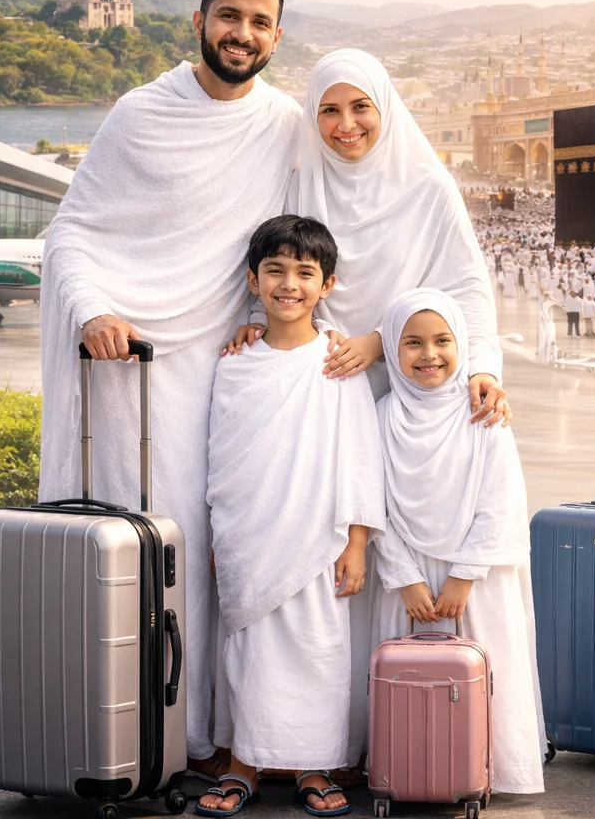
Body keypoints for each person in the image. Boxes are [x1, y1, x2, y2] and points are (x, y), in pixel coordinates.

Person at [41, 0, 303, 772]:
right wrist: (91, 313)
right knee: (127, 548)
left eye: (259, 23)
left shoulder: (286, 123)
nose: (242, 35)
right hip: (127, 364)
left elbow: (311, 238)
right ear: (197, 21)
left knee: (213, 548)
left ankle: (206, 738)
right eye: (229, 17)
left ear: (276, 37)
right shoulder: (139, 112)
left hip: (224, 368)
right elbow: (72, 231)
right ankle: (115, 738)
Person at [202, 216, 385, 817]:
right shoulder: (236, 362)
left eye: (305, 273)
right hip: (249, 534)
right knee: (247, 654)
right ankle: (242, 765)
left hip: (318, 537)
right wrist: (217, 532)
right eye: (274, 271)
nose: (289, 285)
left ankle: (315, 765)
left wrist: (356, 542)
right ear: (253, 279)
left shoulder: (338, 363)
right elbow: (223, 456)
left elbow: (360, 456)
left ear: (326, 285)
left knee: (317, 649)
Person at [243, 48, 508, 425]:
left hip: (405, 388)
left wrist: (383, 341)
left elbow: (464, 285)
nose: (347, 124)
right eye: (329, 110)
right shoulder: (300, 186)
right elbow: (275, 263)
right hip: (316, 382)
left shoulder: (428, 189)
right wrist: (257, 319)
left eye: (360, 106)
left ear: (384, 106)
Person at [372, 288, 546, 796]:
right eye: (412, 343)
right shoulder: (382, 416)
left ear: (462, 343)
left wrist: (464, 575)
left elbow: (500, 502)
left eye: (443, 340)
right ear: (391, 350)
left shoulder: (484, 416)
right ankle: (407, 769)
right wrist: (404, 578)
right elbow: (373, 502)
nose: (430, 355)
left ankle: (486, 770)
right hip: (408, 582)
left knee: (484, 669)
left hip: (476, 578)